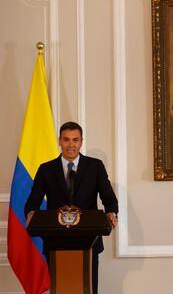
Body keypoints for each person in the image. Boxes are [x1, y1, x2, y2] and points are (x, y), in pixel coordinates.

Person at [25, 121, 118, 294]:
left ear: (81, 141)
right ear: (59, 141)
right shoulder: (46, 169)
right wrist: (30, 213)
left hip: (89, 239)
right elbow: (33, 200)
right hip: (55, 241)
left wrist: (111, 212)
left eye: (75, 140)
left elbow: (108, 197)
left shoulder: (95, 166)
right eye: (66, 140)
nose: (71, 145)